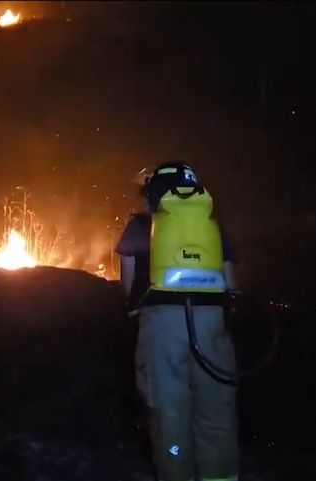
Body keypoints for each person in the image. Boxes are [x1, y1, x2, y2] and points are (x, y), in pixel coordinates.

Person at [116, 161, 240, 481]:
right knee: (216, 410)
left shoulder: (141, 224)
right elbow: (231, 283)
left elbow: (128, 281)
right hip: (211, 323)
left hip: (161, 325)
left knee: (168, 410)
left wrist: (135, 306)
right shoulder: (212, 224)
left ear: (154, 193)